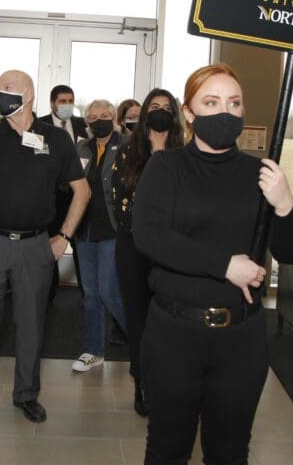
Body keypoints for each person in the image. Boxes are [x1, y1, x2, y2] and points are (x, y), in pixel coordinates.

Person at [133, 64, 293, 464]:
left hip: (241, 339)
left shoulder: (260, 174)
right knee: (167, 449)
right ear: (189, 113)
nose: (225, 112)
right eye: (211, 103)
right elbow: (150, 236)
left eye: (234, 103)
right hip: (174, 335)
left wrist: (285, 204)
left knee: (230, 452)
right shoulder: (167, 168)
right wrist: (225, 266)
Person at [0, 70, 90, 427]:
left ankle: (26, 395)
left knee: (31, 326)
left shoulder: (55, 140)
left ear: (29, 94)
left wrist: (63, 236)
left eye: (10, 89)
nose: (2, 94)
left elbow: (83, 191)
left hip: (35, 245)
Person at [111, 88, 184, 415]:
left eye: (166, 108)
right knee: (138, 316)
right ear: (144, 115)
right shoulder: (128, 152)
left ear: (175, 114)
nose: (160, 112)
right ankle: (142, 382)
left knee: (170, 318)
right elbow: (119, 198)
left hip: (174, 250)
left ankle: (169, 380)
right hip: (134, 247)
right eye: (154, 107)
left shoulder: (186, 154)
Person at [72, 99, 128, 372]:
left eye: (104, 115)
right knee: (91, 294)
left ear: (114, 116)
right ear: (87, 122)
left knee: (108, 291)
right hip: (85, 229)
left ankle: (144, 340)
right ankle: (94, 350)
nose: (99, 120)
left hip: (113, 229)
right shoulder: (81, 147)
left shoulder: (128, 144)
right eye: (93, 117)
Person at [38, 84, 88, 299]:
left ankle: (88, 295)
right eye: (62, 101)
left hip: (78, 196)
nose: (67, 105)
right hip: (50, 197)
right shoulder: (39, 125)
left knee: (81, 247)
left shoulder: (83, 125)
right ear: (52, 103)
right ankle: (48, 295)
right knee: (49, 246)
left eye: (70, 101)